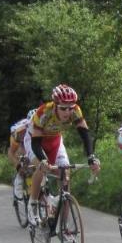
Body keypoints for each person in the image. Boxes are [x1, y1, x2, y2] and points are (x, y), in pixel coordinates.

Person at [26, 84, 100, 227]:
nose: (68, 111)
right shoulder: (44, 113)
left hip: (54, 140)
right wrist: (43, 160)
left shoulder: (76, 111)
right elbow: (35, 143)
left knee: (65, 173)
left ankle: (64, 226)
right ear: (55, 105)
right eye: (63, 108)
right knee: (41, 168)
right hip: (34, 140)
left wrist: (91, 156)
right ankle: (33, 204)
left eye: (70, 107)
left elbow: (85, 135)